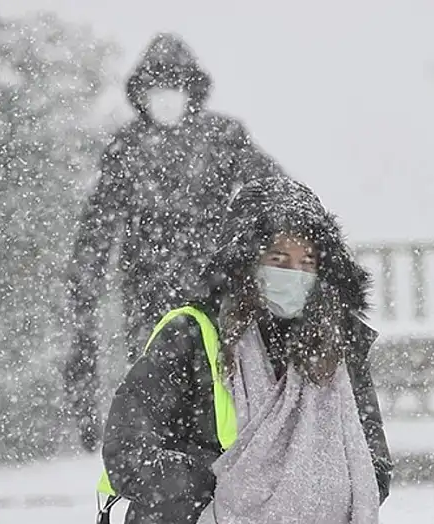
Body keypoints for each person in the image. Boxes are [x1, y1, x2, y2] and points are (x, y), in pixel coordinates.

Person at [98, 176, 391, 524]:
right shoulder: (192, 336)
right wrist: (223, 489)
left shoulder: (336, 351)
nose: (292, 274)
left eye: (306, 261)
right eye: (278, 258)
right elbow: (128, 451)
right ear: (245, 262)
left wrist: (300, 500)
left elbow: (373, 470)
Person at [66, 32, 283, 451]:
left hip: (215, 290)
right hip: (148, 297)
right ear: (142, 95)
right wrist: (86, 278)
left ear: (190, 90)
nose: (166, 97)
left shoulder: (221, 138)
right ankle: (169, 475)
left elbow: (271, 187)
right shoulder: (127, 149)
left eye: (174, 87)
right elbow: (97, 226)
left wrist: (270, 243)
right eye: (156, 88)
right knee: (159, 394)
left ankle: (222, 468)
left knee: (218, 390)